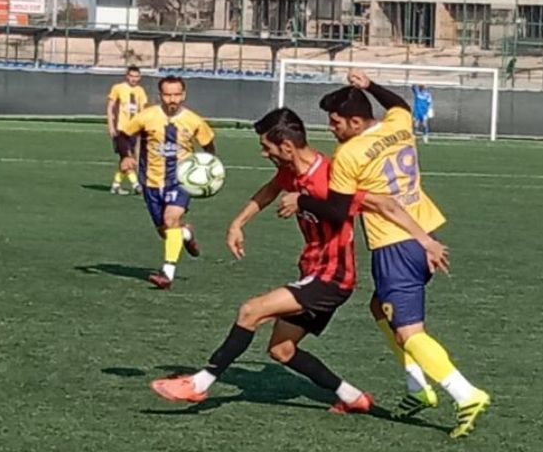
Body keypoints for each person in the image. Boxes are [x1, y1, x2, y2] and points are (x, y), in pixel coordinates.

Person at [150, 108, 447, 413]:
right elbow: (270, 190)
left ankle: (199, 383)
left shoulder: (332, 175)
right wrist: (238, 224)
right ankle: (353, 397)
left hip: (332, 278)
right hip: (313, 271)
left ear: (287, 146)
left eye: (267, 147)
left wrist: (425, 240)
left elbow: (382, 203)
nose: (264, 154)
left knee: (251, 311)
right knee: (282, 350)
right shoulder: (291, 171)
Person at [277, 71, 490, 439]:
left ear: (356, 121)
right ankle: (416, 388)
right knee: (380, 308)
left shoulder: (349, 154)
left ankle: (466, 394)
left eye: (336, 122)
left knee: (409, 332)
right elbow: (399, 105)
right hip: (423, 230)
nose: (331, 128)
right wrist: (370, 86)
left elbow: (339, 211)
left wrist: (302, 200)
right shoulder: (399, 124)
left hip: (393, 243)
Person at [116, 76, 213, 289]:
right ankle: (186, 234)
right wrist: (125, 155)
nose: (173, 99)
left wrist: (207, 172)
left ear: (184, 95)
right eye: (168, 94)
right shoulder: (146, 117)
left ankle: (166, 274)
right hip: (151, 182)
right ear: (160, 95)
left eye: (177, 94)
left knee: (171, 220)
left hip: (180, 181)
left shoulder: (194, 121)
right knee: (166, 231)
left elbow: (209, 147)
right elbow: (122, 136)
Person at [106, 66, 148, 195]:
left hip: (134, 130)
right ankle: (136, 185)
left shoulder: (140, 91)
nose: (134, 79)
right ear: (127, 76)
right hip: (121, 130)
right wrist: (111, 126)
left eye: (136, 76)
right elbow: (110, 107)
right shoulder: (118, 88)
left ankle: (116, 185)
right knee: (128, 158)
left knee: (126, 159)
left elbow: (143, 110)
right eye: (132, 76)